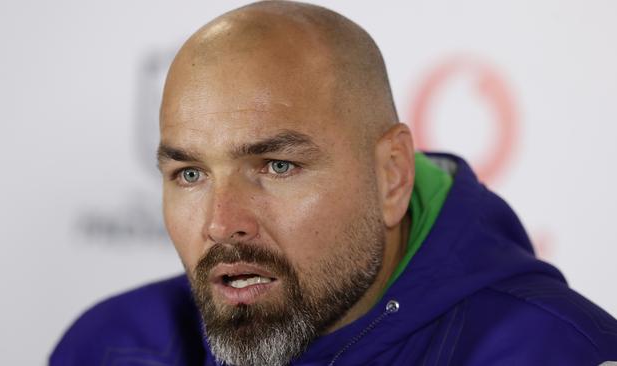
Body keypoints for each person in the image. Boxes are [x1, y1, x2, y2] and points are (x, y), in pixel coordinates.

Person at [50, 1, 617, 365]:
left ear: (391, 175)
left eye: (277, 166)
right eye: (190, 174)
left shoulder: (557, 351)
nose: (221, 223)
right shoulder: (109, 346)